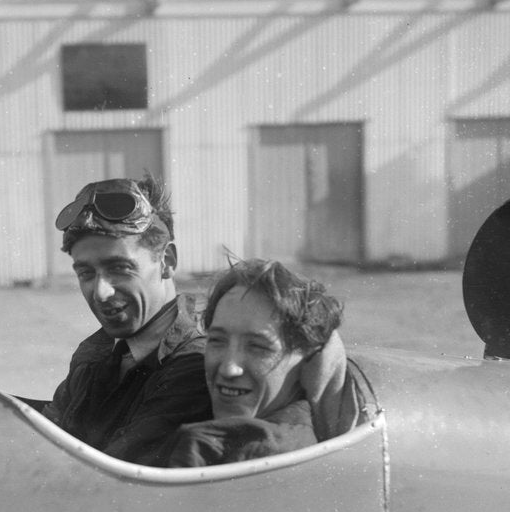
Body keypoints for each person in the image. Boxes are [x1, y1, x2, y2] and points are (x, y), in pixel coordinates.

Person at [39, 174, 212, 466]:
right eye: (86, 273)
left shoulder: (193, 364)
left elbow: (110, 478)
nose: (101, 292)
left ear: (167, 261)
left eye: (120, 268)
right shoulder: (99, 349)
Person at [167, 259, 358, 467]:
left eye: (258, 347)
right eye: (217, 341)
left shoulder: (206, 449)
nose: (228, 368)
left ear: (308, 361)